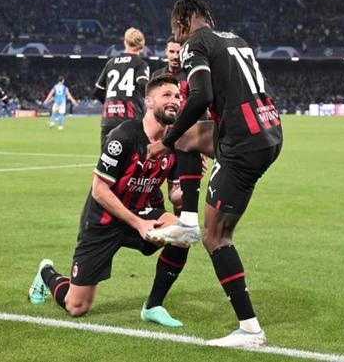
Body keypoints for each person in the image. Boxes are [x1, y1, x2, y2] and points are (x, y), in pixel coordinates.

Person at [148, 0, 283, 347]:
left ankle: (250, 330)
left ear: (181, 23)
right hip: (267, 130)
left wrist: (167, 138)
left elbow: (201, 95)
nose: (176, 40)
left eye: (175, 32)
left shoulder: (195, 42)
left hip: (242, 143)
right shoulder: (235, 39)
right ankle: (188, 219)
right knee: (188, 140)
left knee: (217, 237)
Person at [29, 75, 212, 326]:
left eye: (177, 96)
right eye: (166, 95)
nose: (174, 101)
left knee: (183, 233)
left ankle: (153, 305)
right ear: (149, 101)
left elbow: (175, 196)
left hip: (144, 210)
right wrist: (137, 223)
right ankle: (46, 272)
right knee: (77, 306)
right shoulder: (123, 136)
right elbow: (99, 190)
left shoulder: (177, 142)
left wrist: (193, 180)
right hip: (104, 219)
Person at [153, 36, 206, 237]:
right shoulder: (157, 76)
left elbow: (202, 112)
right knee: (151, 189)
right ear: (166, 52)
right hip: (162, 144)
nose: (175, 56)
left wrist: (201, 149)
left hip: (185, 145)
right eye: (171, 52)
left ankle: (181, 236)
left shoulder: (191, 75)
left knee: (179, 198)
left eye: (178, 52)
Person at [94, 27, 150, 147]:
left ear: (125, 42)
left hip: (109, 119)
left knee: (106, 163)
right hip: (130, 120)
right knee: (132, 162)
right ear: (142, 46)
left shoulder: (111, 63)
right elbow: (142, 84)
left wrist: (112, 104)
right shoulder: (141, 64)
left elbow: (98, 90)